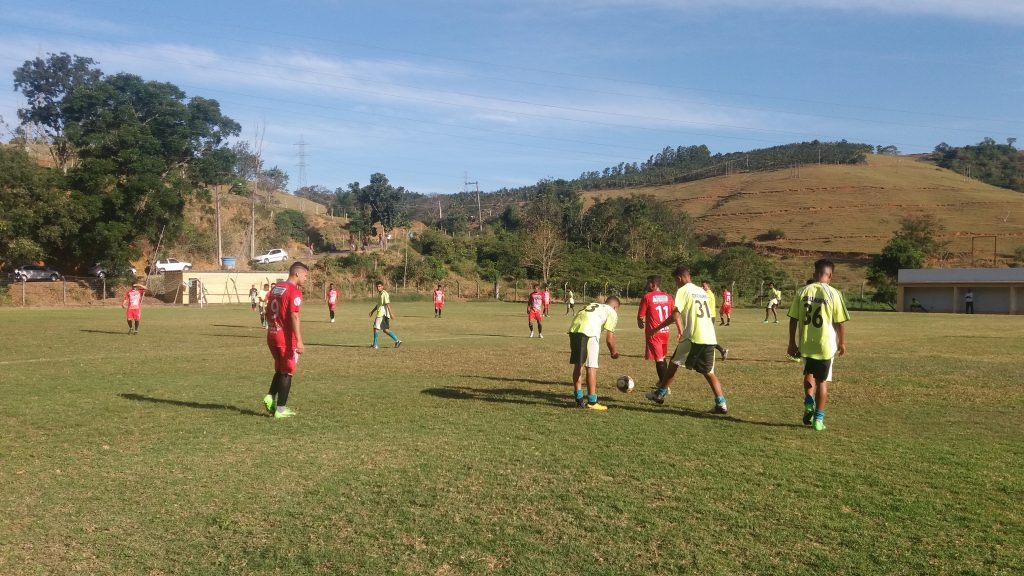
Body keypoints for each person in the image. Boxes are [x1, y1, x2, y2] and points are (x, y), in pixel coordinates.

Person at [646, 265, 729, 414]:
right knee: (709, 371)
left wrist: (656, 328)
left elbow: (675, 315)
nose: (676, 284)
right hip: (709, 336)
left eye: (675, 281)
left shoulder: (683, 291)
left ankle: (660, 394)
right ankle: (721, 403)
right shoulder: (701, 291)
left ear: (679, 278)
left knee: (673, 364)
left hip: (693, 336)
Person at [787, 259, 850, 432]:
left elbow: (793, 318)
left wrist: (792, 342)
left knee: (809, 372)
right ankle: (818, 419)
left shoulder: (802, 291)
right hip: (825, 345)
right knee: (822, 381)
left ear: (815, 274)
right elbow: (840, 322)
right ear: (830, 276)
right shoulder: (834, 293)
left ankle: (809, 401)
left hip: (806, 343)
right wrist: (842, 342)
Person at [262, 262, 309, 419]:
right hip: (285, 337)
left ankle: (270, 396)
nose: (306, 279)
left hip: (272, 333)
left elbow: (269, 309)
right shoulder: (294, 292)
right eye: (305, 276)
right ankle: (281, 409)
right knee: (288, 372)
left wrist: (271, 326)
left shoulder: (277, 288)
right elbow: (294, 316)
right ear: (297, 274)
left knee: (280, 369)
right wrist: (300, 340)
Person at [568, 297, 621, 411]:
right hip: (589, 332)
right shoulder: (612, 312)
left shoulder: (594, 305)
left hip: (574, 329)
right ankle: (592, 401)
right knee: (591, 367)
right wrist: (613, 353)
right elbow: (609, 339)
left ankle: (579, 399)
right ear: (615, 307)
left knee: (578, 364)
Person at [637, 275, 676, 383]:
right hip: (665, 331)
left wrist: (639, 321)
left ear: (654, 285)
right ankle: (662, 382)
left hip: (654, 332)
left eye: (648, 283)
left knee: (659, 359)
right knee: (662, 357)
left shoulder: (647, 297)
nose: (646, 285)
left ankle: (664, 386)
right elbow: (674, 314)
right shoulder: (669, 297)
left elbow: (641, 316)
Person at [701, 281, 729, 360]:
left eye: (704, 286)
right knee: (705, 337)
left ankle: (722, 350)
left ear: (708, 286)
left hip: (709, 317)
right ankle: (722, 350)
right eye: (702, 286)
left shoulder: (708, 294)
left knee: (707, 337)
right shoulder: (706, 294)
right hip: (708, 317)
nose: (702, 287)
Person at [369, 280, 401, 348]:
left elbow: (387, 304)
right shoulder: (380, 294)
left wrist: (391, 313)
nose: (378, 288)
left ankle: (375, 344)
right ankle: (397, 340)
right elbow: (378, 304)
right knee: (385, 330)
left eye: (379, 286)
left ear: (382, 287)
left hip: (382, 314)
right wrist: (372, 311)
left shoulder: (384, 294)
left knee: (376, 328)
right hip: (382, 313)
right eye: (377, 286)